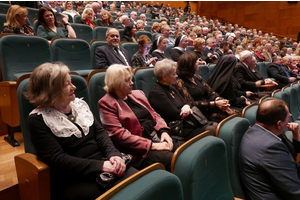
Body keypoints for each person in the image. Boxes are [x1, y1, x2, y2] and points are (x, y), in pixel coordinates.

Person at [27, 63, 137, 200]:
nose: (74, 87)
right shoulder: (38, 120)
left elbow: (100, 133)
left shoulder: (79, 105)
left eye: (71, 82)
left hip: (105, 163)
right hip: (73, 177)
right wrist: (101, 166)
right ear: (51, 91)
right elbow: (58, 159)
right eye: (67, 84)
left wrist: (113, 154)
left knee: (139, 184)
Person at [98, 64, 174, 171]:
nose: (132, 83)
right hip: (139, 151)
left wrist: (164, 131)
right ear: (116, 84)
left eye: (131, 79)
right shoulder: (106, 103)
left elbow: (155, 115)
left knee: (184, 150)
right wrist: (152, 145)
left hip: (156, 137)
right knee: (175, 159)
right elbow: (119, 135)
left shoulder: (138, 94)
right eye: (127, 80)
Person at [239, 98, 300, 200]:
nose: (289, 119)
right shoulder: (270, 147)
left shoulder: (255, 131)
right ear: (279, 124)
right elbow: (294, 192)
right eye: (288, 118)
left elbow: (290, 161)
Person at [149, 59, 218, 141]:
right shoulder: (156, 93)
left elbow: (187, 103)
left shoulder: (170, 87)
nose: (177, 76)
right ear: (164, 77)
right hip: (177, 127)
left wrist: (186, 107)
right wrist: (186, 107)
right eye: (174, 74)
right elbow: (176, 114)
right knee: (212, 129)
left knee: (216, 125)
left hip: (187, 122)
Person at [175, 52, 234, 122]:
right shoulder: (179, 81)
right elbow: (190, 103)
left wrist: (219, 100)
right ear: (189, 66)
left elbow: (211, 92)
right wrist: (215, 104)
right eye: (195, 62)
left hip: (209, 108)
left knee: (234, 113)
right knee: (232, 118)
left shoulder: (197, 77)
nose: (198, 64)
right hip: (198, 113)